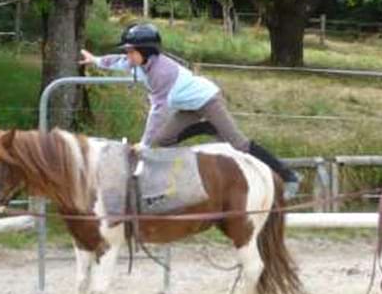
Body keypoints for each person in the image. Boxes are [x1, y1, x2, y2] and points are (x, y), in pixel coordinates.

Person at [79, 23, 302, 199]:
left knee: (239, 144)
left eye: (130, 51)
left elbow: (158, 110)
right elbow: (117, 61)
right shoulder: (139, 61)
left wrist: (144, 143)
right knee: (164, 139)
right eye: (127, 51)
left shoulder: (160, 72)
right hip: (188, 107)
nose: (127, 55)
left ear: (145, 51)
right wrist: (96, 60)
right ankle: (206, 126)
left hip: (207, 100)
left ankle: (289, 176)